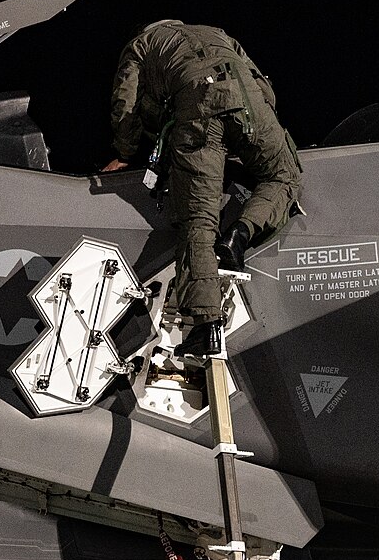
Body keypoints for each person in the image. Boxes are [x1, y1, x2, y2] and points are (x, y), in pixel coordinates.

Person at [101, 20, 302, 359]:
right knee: (285, 176)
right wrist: (245, 134)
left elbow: (127, 102)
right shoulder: (219, 33)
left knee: (198, 219)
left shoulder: (140, 46)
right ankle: (240, 234)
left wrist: (124, 153)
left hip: (197, 108)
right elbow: (264, 88)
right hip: (249, 103)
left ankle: (206, 327)